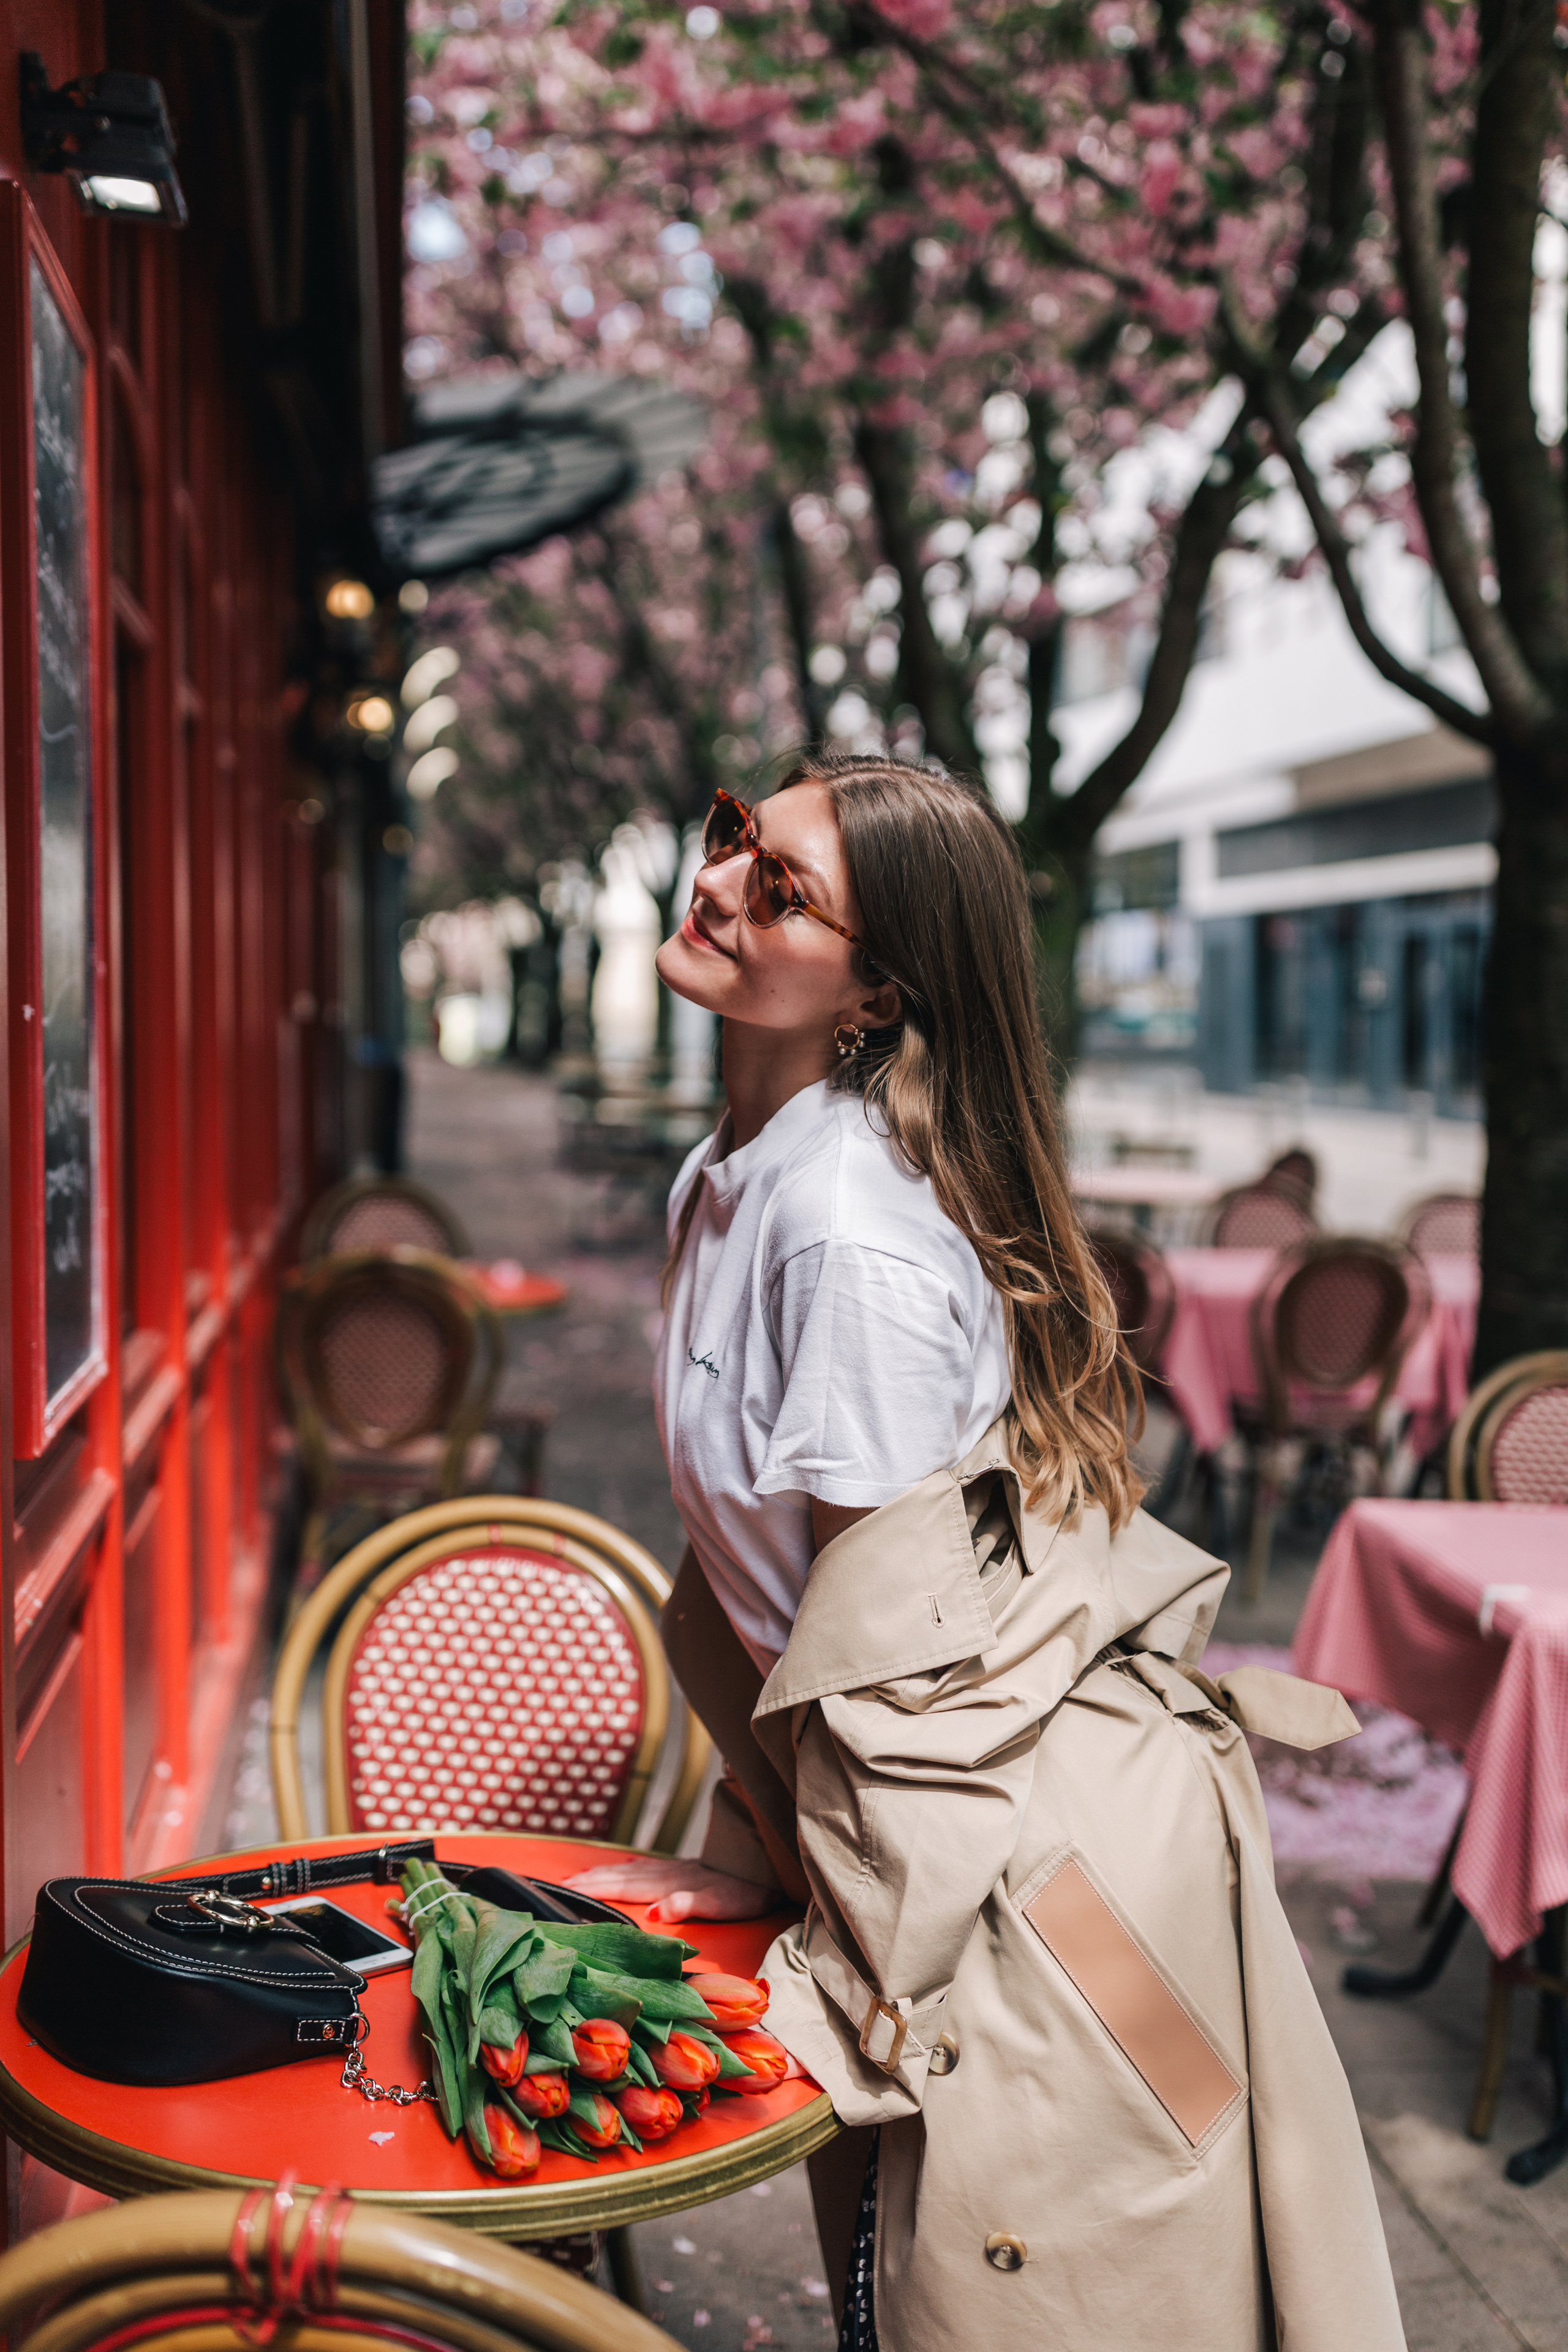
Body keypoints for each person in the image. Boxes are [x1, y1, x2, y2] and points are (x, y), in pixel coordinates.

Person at [569, 751, 1405, 2352]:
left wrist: (851, 1973)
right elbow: (770, 1608)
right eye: (737, 834)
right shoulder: (731, 1178)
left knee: (1062, 2291)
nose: (724, 881)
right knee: (913, 2287)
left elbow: (895, 1684)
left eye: (787, 886)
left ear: (875, 990)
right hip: (936, 1824)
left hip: (1037, 1871)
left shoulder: (846, 1240)